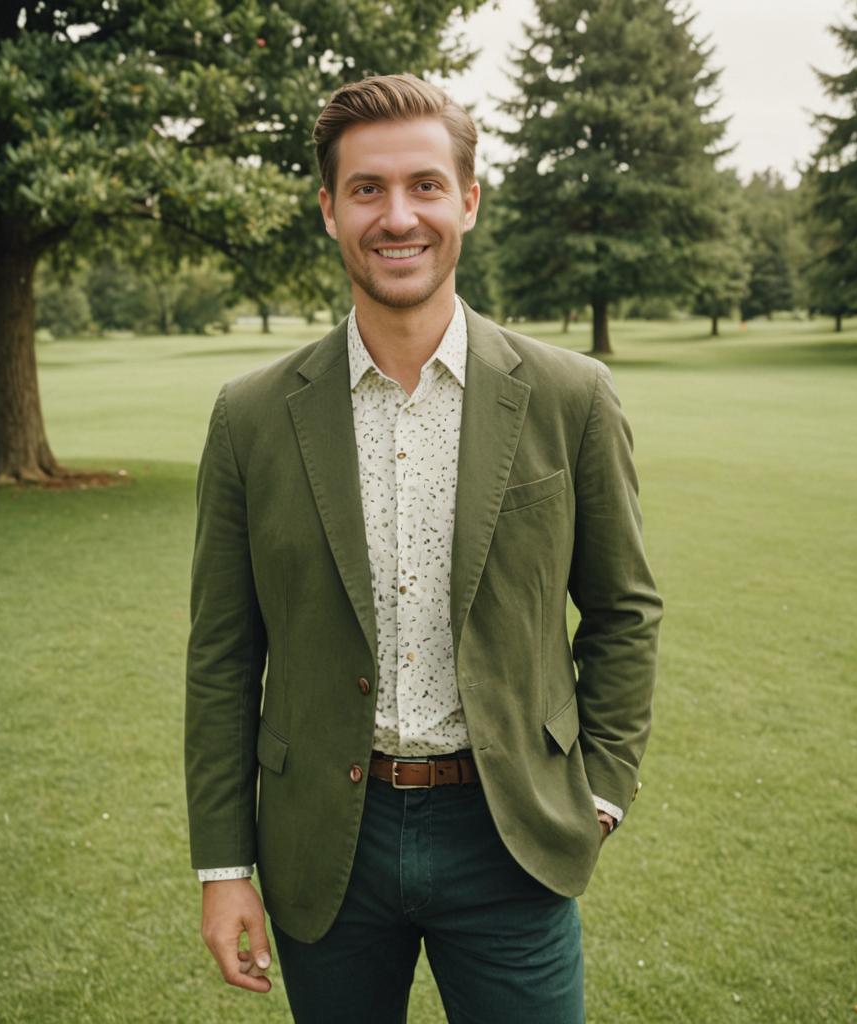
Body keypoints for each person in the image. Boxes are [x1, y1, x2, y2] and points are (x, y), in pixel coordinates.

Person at [185, 73, 663, 1023]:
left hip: (511, 835)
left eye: (424, 185)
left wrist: (601, 790)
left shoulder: (571, 397)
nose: (396, 216)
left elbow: (623, 611)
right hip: (327, 845)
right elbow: (223, 657)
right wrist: (223, 866)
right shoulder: (249, 416)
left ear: (469, 201)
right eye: (367, 189)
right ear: (328, 210)